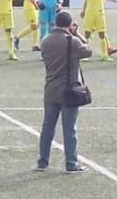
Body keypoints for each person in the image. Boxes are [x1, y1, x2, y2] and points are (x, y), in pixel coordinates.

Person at [37, 11, 91, 173]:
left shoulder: (45, 41)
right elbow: (88, 51)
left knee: (47, 127)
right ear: (69, 25)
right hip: (68, 90)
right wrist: (77, 34)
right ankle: (71, 163)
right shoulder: (72, 42)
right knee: (69, 129)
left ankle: (42, 161)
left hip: (51, 88)